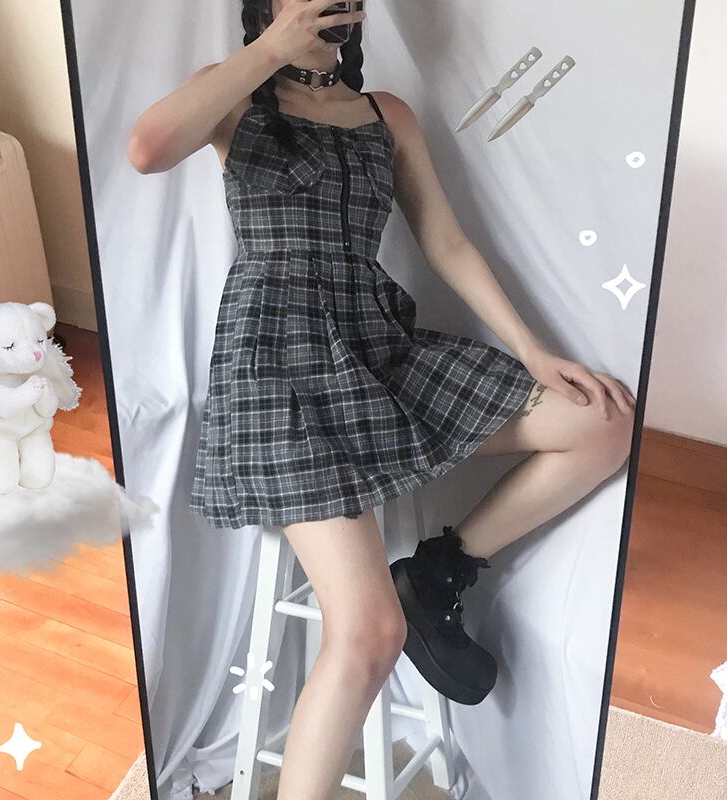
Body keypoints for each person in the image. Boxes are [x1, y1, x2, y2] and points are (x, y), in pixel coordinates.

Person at [127, 2, 636, 798]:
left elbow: (445, 239)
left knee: (602, 424)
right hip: (278, 371)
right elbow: (147, 149)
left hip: (376, 350)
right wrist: (269, 49)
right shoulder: (234, 92)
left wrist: (533, 349)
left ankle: (436, 573)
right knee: (369, 636)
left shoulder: (385, 113)